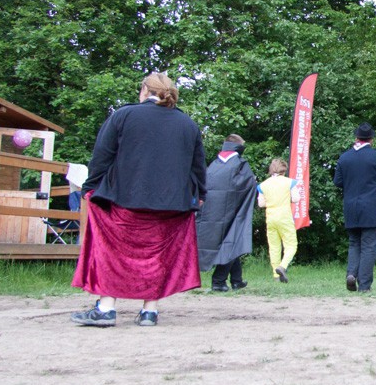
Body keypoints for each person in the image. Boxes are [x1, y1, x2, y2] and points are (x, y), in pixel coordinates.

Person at [71, 72, 207, 327]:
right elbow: (197, 166)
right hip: (171, 206)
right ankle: (149, 312)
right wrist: (200, 195)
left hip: (124, 200)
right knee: (157, 257)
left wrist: (89, 188)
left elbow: (102, 156)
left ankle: (106, 308)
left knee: (112, 253)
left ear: (145, 90)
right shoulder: (187, 124)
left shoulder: (124, 115)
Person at [333, 122, 376, 293]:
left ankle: (351, 274)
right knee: (368, 246)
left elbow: (337, 182)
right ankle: (364, 285)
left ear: (356, 137)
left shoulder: (344, 157)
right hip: (370, 208)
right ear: (371, 139)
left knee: (354, 244)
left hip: (350, 207)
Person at [197, 134, 257, 292]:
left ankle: (237, 280)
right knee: (231, 241)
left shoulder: (213, 165)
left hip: (212, 213)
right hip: (232, 210)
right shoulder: (239, 164)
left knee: (231, 242)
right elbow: (249, 185)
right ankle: (218, 281)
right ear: (239, 146)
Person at [257, 158, 302, 283]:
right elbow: (296, 198)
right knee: (291, 245)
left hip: (271, 218)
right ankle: (282, 266)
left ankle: (275, 275)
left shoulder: (263, 185)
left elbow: (261, 204)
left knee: (274, 247)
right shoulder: (290, 182)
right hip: (285, 217)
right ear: (284, 169)